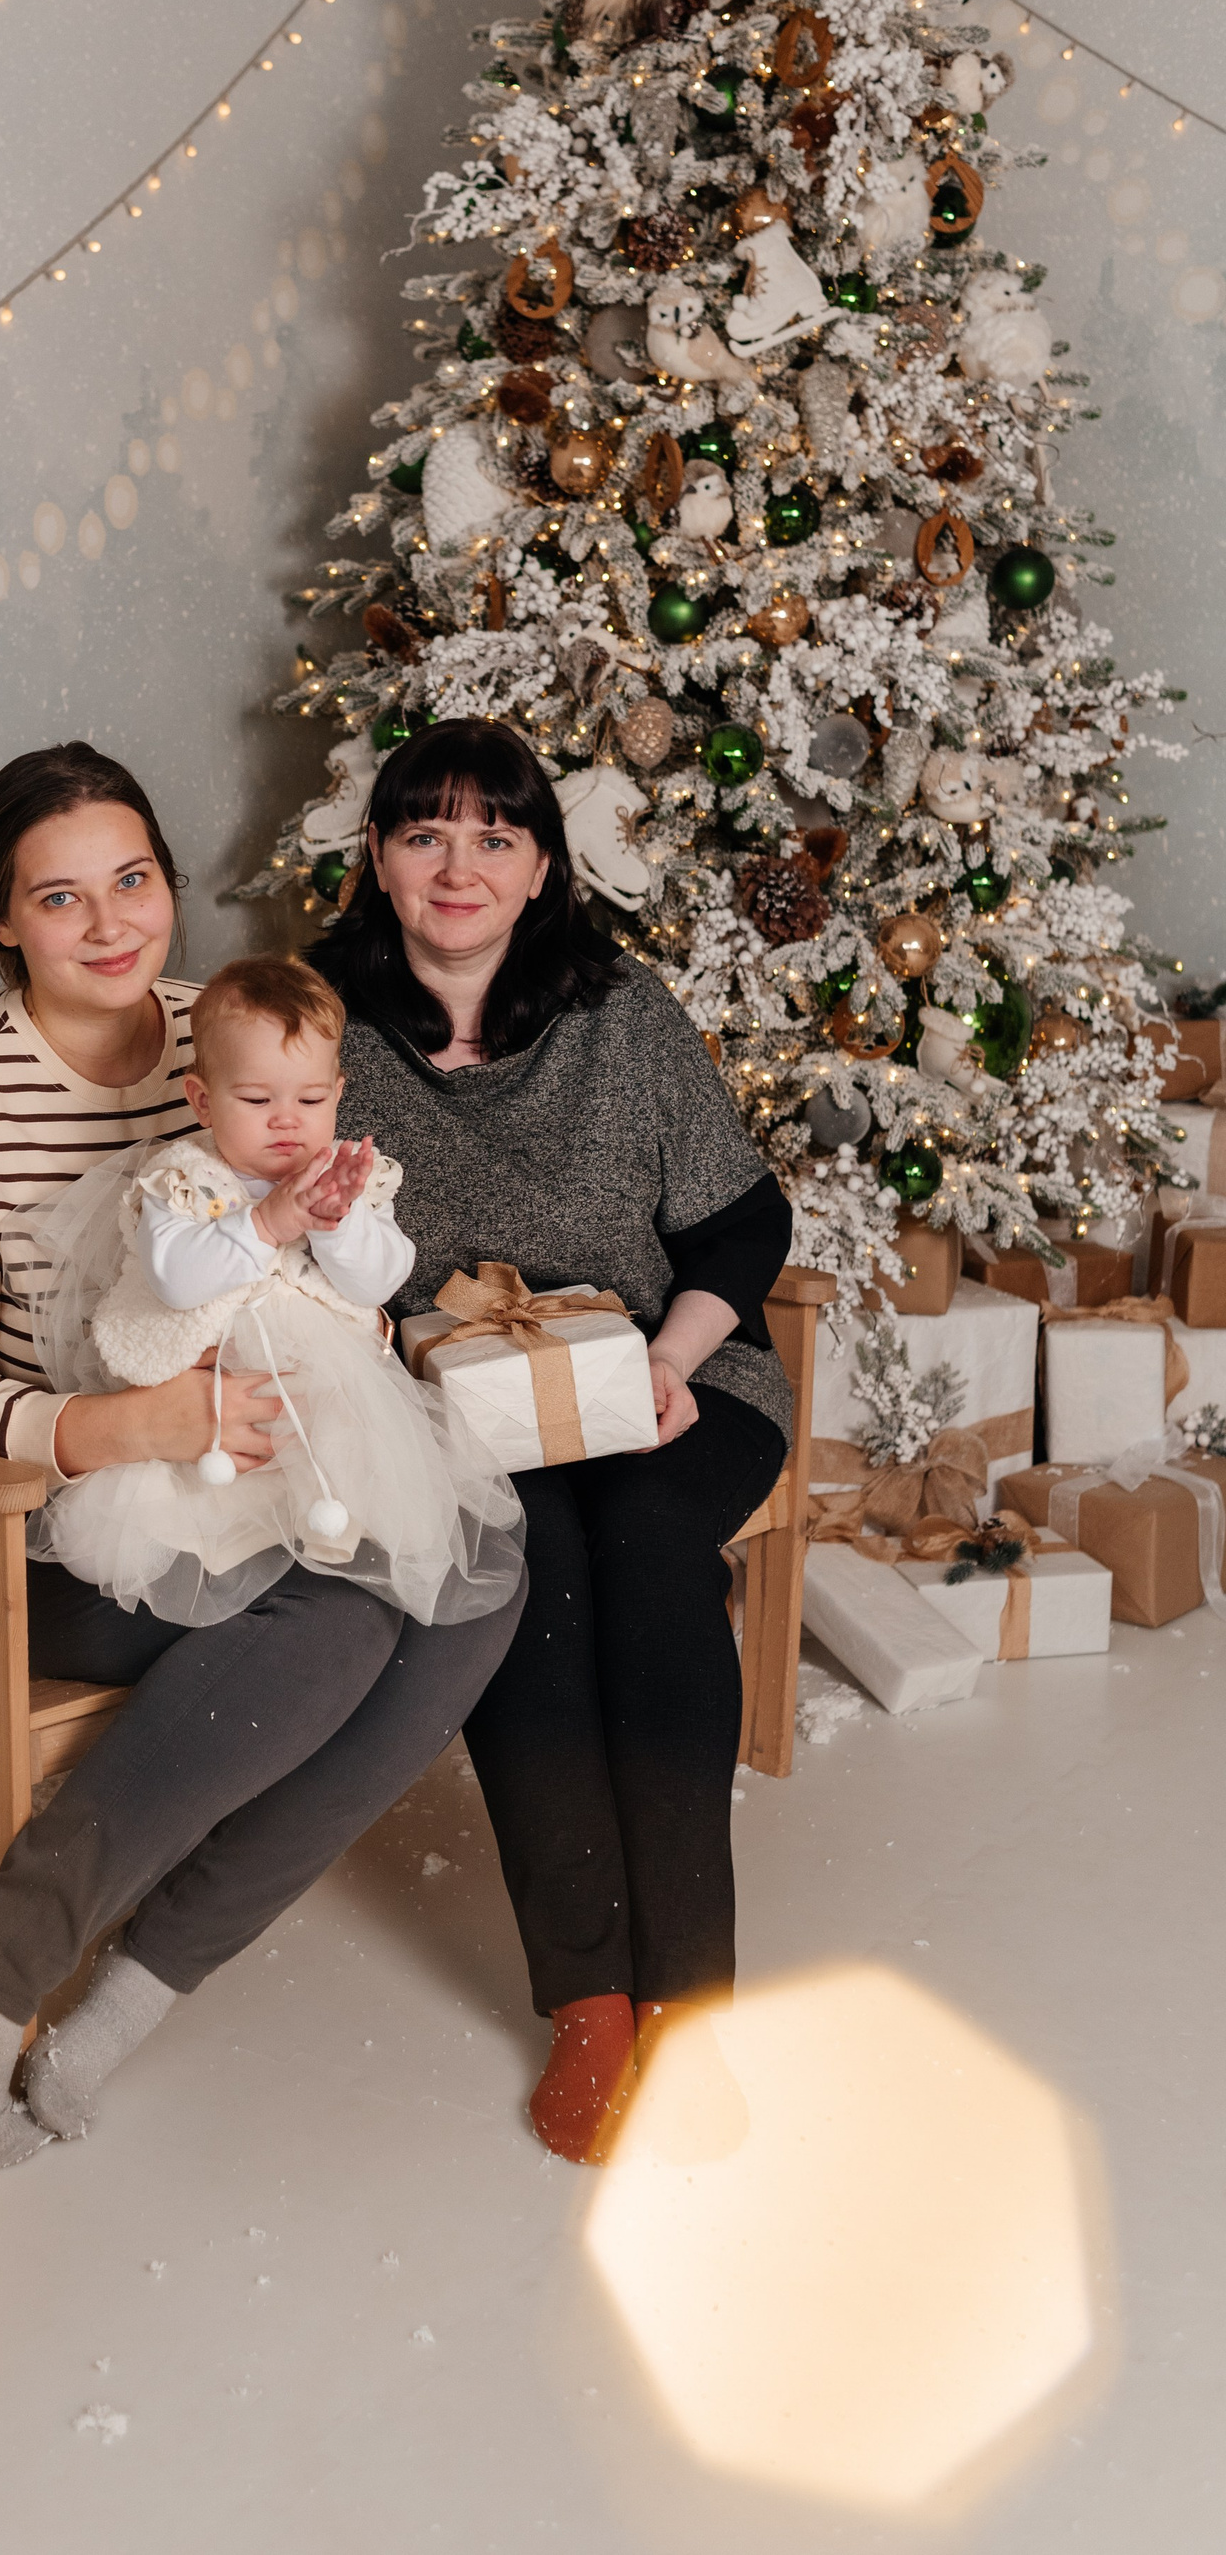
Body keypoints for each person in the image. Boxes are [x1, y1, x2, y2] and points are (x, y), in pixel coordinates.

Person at [0, 742, 527, 2168]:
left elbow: (321, 1251)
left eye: (134, 879)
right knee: (334, 1621)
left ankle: (127, 1999)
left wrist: (348, 1313)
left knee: (468, 1589)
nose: (110, 924)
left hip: (231, 1480)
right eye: (60, 897)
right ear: (2, 918)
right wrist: (123, 1427)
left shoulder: (227, 1038)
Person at [310, 717, 793, 2163]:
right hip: (454, 1406)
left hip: (667, 1376)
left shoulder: (618, 1014)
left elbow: (741, 1222)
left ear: (540, 870)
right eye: (425, 833)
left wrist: (670, 1361)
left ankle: (689, 2000)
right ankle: (588, 2000)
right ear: (378, 857)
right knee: (521, 1569)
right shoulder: (325, 1025)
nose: (458, 866)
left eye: (495, 836)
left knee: (647, 1541)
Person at [24, 953, 522, 1627]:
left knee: (359, 1502)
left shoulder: (349, 1180)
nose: (287, 1120)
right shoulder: (183, 1181)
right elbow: (176, 1280)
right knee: (183, 1518)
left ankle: (325, 1554)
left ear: (338, 1094)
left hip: (324, 1403)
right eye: (257, 1101)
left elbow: (381, 1281)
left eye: (310, 1100)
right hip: (204, 1412)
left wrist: (339, 1223)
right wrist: (266, 1223)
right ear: (203, 1100)